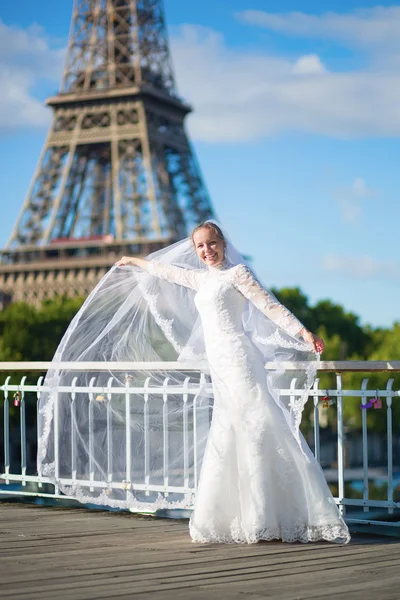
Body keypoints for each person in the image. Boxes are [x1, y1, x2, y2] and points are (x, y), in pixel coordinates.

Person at [115, 221, 350, 544]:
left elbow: (270, 306)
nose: (207, 251)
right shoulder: (200, 279)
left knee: (257, 427)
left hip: (241, 360)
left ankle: (270, 516)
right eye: (200, 246)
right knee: (229, 432)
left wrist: (304, 333)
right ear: (195, 250)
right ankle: (241, 516)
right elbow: (164, 272)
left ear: (223, 244)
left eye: (212, 244)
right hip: (220, 367)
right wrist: (133, 261)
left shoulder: (238, 274)